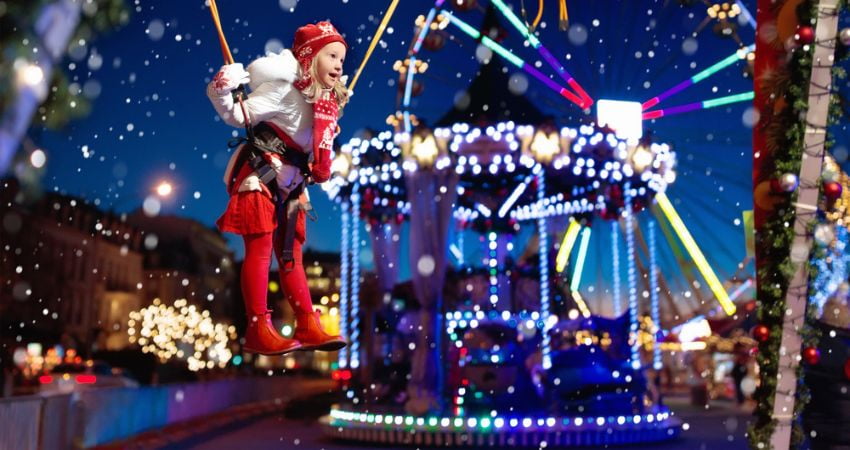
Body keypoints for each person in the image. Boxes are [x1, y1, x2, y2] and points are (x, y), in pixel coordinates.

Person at [207, 21, 349, 355]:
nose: (340, 65)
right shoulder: (283, 91)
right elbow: (237, 115)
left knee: (290, 256)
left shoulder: (325, 104)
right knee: (259, 250)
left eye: (342, 58)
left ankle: (307, 322)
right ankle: (258, 327)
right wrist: (220, 89)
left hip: (293, 183)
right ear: (311, 58)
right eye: (332, 55)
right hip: (261, 176)